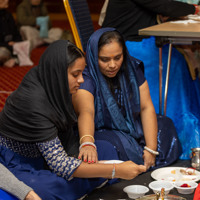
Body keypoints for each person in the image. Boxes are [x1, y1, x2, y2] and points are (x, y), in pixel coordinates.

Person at [0, 39, 146, 200]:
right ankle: (86, 183)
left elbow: (64, 142)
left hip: (54, 148)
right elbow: (60, 165)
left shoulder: (51, 81)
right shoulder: (32, 102)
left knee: (106, 149)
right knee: (46, 188)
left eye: (82, 73)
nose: (81, 80)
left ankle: (82, 184)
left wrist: (87, 146)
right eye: (75, 74)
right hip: (20, 162)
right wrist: (114, 170)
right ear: (58, 73)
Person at [100, 0, 200, 159]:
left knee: (179, 57)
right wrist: (194, 9)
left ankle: (179, 129)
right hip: (125, 44)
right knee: (176, 62)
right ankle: (173, 132)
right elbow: (163, 5)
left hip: (137, 38)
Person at [72, 28, 182, 171]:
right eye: (105, 59)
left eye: (117, 57)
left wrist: (151, 149)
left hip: (130, 123)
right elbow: (86, 112)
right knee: (115, 145)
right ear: (94, 56)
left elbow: (145, 107)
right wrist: (87, 143)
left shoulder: (131, 68)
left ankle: (145, 160)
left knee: (164, 125)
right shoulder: (86, 78)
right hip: (101, 131)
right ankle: (135, 165)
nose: (112, 65)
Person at [0, 0, 33, 67]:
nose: (7, 1)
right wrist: (7, 44)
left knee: (29, 45)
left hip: (12, 46)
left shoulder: (8, 15)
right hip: (3, 47)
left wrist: (17, 42)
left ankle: (11, 59)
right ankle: (13, 59)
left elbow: (16, 33)